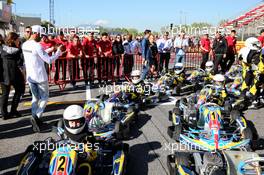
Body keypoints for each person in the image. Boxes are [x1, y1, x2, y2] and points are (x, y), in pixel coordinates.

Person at [22, 25, 62, 132]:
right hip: (40, 77)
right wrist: (58, 52)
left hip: (30, 77)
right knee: (44, 98)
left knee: (35, 99)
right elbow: (48, 60)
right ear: (37, 34)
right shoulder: (37, 45)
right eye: (41, 35)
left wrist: (50, 49)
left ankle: (35, 117)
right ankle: (36, 117)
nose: (42, 37)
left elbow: (38, 54)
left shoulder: (24, 44)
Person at [0, 32, 25, 120]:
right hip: (15, 74)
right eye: (18, 39)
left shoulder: (1, 48)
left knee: (5, 94)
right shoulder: (18, 50)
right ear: (14, 40)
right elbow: (20, 63)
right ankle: (13, 110)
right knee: (19, 90)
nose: (19, 41)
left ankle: (4, 113)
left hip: (3, 74)